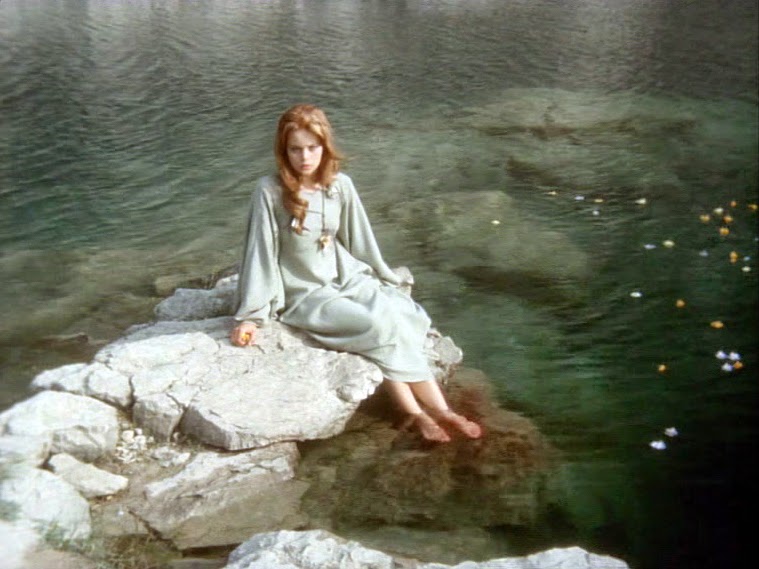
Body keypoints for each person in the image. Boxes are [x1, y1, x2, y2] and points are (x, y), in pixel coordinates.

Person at [229, 104, 481, 443]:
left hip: (346, 277)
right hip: (305, 292)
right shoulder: (269, 191)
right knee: (375, 326)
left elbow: (359, 239)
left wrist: (385, 275)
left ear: (325, 146)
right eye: (295, 149)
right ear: (283, 151)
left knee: (399, 315)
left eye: (312, 147)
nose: (305, 157)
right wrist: (252, 316)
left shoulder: (340, 186)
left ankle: (443, 411)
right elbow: (260, 251)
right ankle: (417, 414)